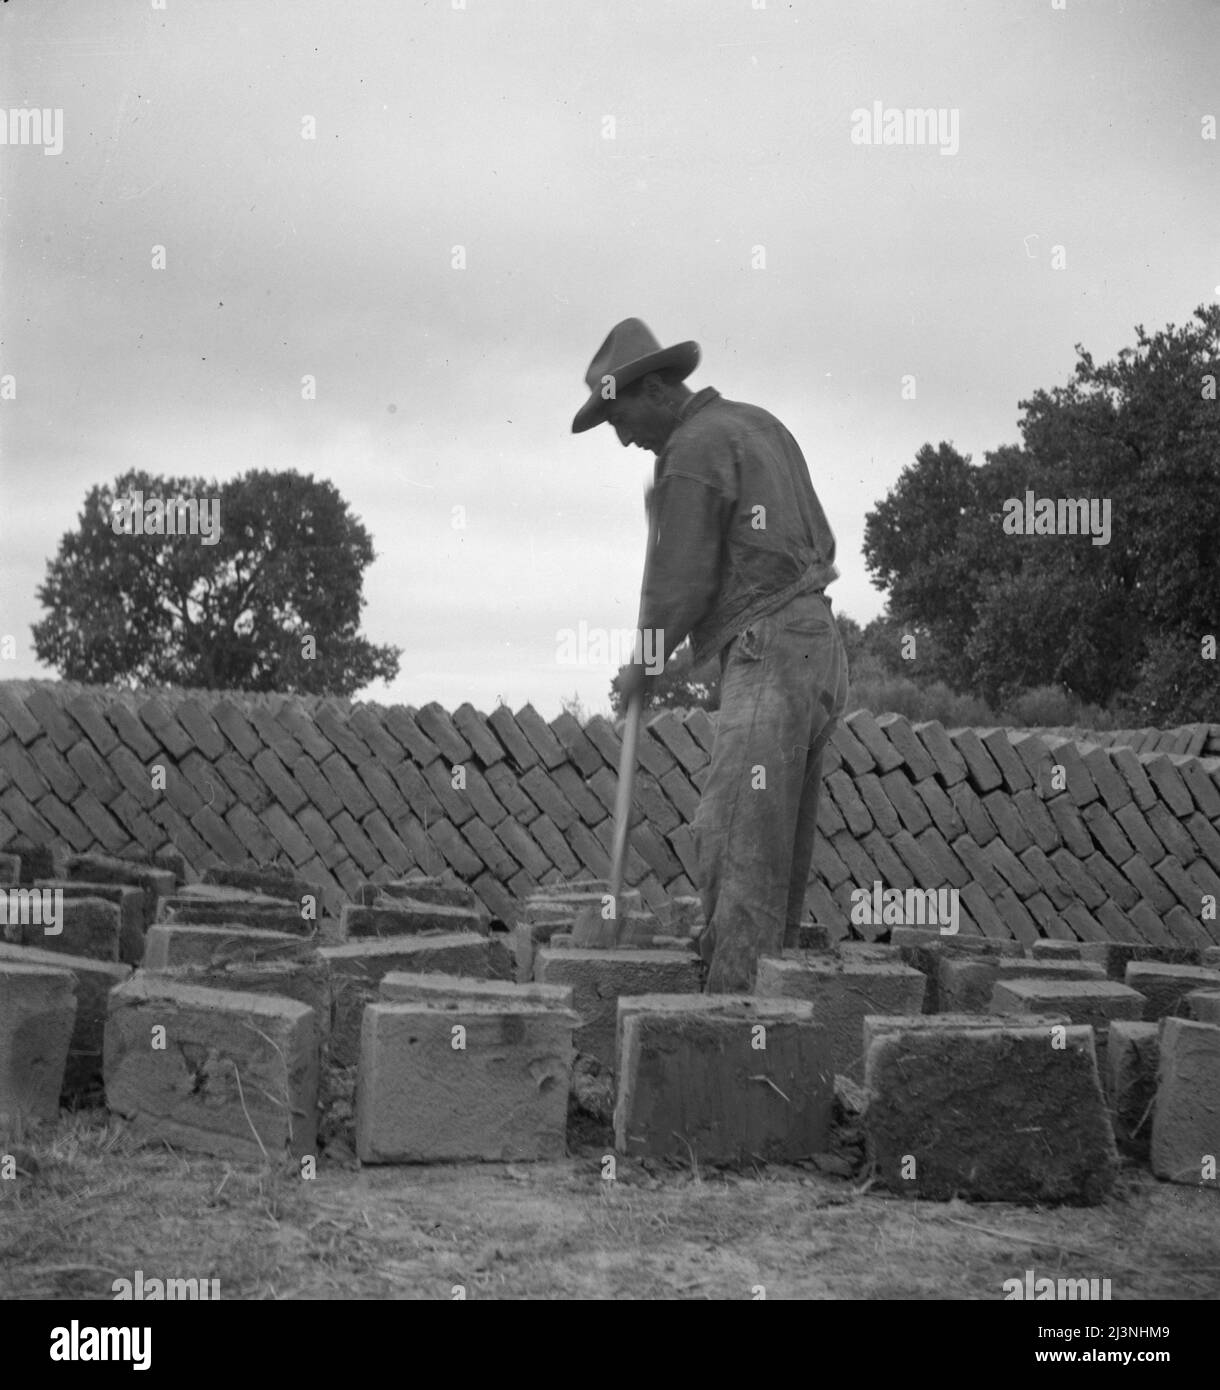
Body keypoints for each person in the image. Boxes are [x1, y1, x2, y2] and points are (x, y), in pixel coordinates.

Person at [571, 318, 850, 992]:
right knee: (776, 860)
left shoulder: (693, 449)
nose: (623, 435)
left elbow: (682, 582)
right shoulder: (758, 424)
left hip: (768, 652)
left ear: (657, 389)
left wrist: (643, 663)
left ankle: (727, 1033)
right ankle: (769, 1024)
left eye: (620, 416)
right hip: (820, 648)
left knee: (738, 853)